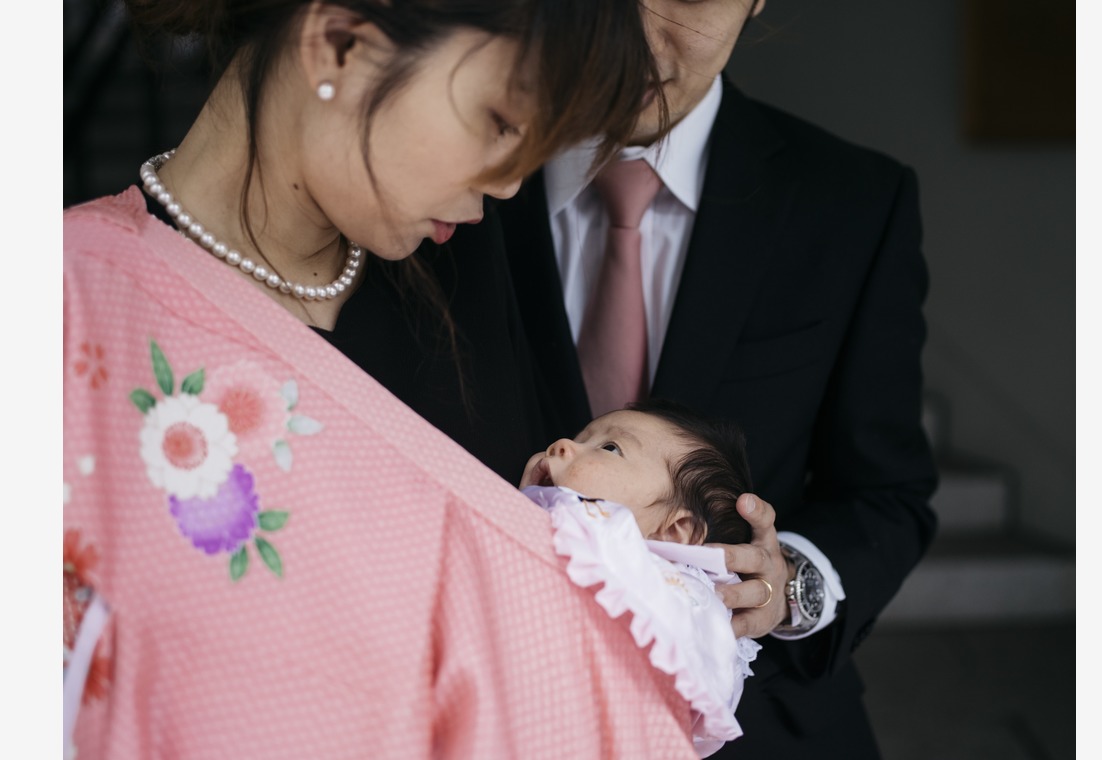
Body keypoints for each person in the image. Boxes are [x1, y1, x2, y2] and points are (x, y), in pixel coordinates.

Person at [62, 2, 706, 758]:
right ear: (339, 45)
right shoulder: (75, 302)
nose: (510, 184)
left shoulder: (473, 270)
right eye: (501, 123)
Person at [497, 0, 940, 756]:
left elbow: (885, 493)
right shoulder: (438, 175)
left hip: (757, 723)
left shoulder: (854, 201)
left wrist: (787, 584)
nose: (633, 35)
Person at [518, 397, 761, 757]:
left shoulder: (670, 598)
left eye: (610, 448)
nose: (562, 445)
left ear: (675, 530)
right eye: (581, 437)